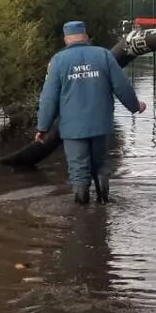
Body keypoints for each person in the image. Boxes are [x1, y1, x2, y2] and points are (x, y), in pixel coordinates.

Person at [35, 21, 146, 204]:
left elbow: (49, 97)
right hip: (100, 125)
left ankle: (82, 214)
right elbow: (122, 86)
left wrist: (43, 126)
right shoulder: (103, 55)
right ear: (86, 37)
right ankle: (104, 204)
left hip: (73, 129)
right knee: (101, 165)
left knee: (79, 170)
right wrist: (135, 106)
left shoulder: (58, 61)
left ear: (66, 39)